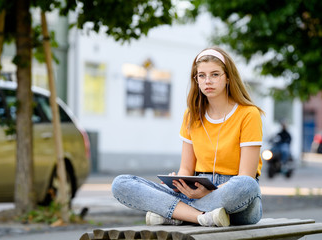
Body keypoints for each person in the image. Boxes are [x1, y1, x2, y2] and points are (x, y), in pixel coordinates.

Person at [112, 47, 264, 227]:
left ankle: (176, 213)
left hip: (234, 197)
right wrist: (178, 183)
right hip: (193, 189)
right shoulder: (191, 115)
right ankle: (201, 217)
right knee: (121, 183)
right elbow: (186, 168)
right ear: (196, 80)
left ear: (228, 77)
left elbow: (246, 176)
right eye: (201, 76)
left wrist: (207, 193)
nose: (208, 81)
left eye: (215, 75)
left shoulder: (248, 114)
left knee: (247, 185)